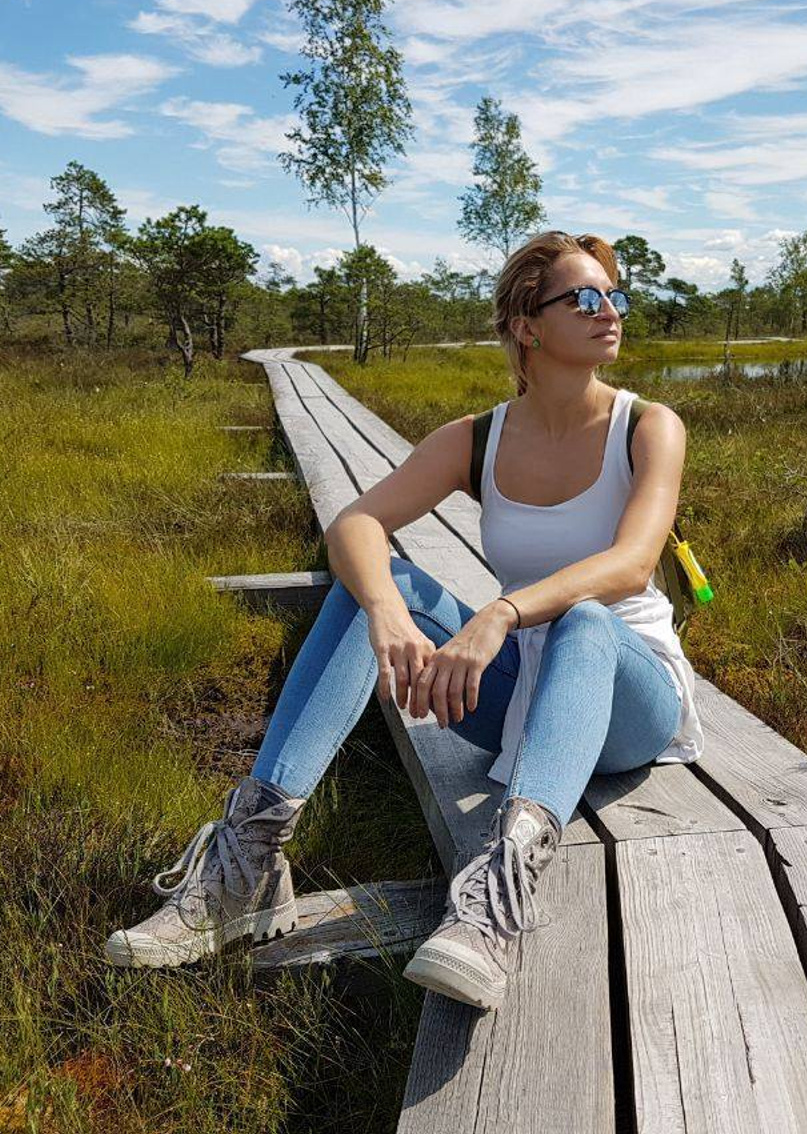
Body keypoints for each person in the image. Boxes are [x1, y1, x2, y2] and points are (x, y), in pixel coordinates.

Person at [104, 230, 704, 1012]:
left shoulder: (647, 425)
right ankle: (249, 860)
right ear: (527, 325)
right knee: (373, 581)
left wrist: (502, 611)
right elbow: (355, 523)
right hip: (519, 698)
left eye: (615, 296)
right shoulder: (477, 438)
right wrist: (389, 612)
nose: (609, 311)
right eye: (585, 297)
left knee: (585, 621)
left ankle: (494, 902)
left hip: (627, 692)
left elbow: (631, 564)